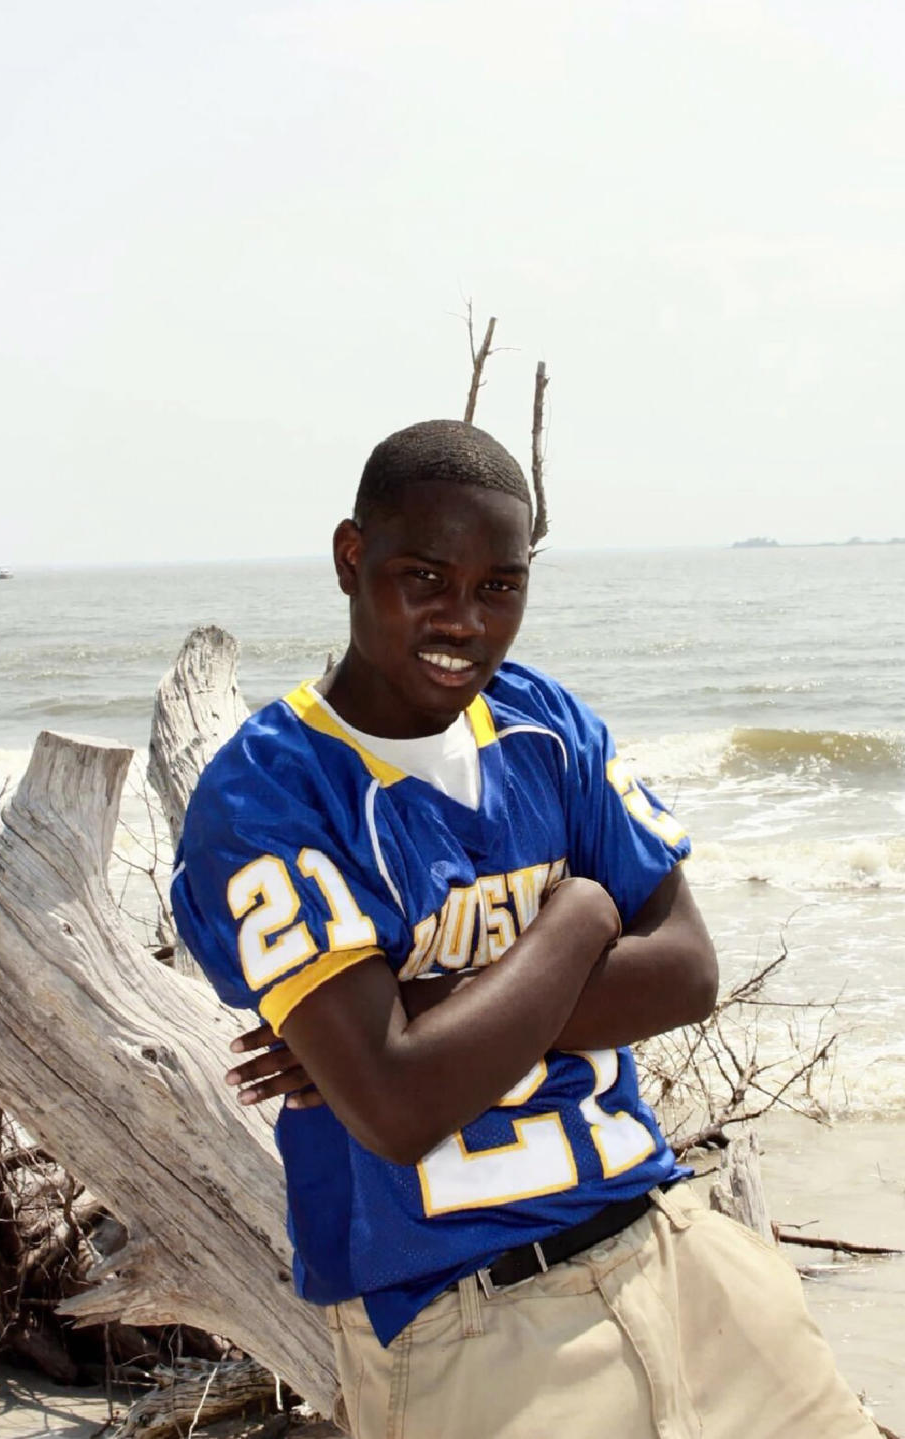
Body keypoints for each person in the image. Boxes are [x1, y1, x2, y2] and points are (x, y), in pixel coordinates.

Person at [171, 420, 877, 1439]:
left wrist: (426, 1006)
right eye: (426, 576)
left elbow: (686, 971)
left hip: (678, 1251)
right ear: (350, 556)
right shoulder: (271, 793)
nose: (463, 618)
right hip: (472, 1316)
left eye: (499, 585)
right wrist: (582, 913)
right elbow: (401, 1107)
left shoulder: (547, 724)